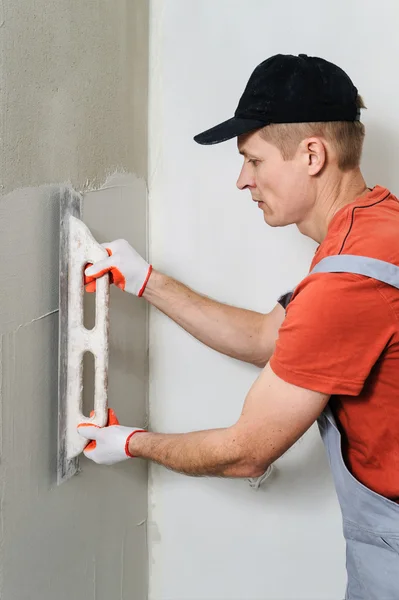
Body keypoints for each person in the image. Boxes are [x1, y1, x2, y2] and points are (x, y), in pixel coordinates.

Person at [78, 54, 399, 599]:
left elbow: (246, 451)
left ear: (313, 155)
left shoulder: (348, 280)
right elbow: (266, 340)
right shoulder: (376, 229)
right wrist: (146, 280)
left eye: (253, 160)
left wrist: (131, 442)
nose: (242, 180)